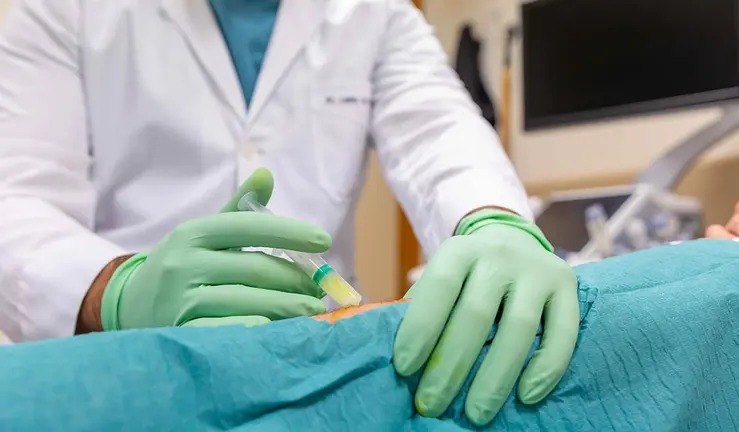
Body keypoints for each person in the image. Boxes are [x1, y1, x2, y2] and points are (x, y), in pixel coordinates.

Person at [0, 0, 578, 426]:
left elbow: (439, 133)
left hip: (317, 364)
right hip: (133, 368)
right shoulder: (57, 9)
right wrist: (117, 289)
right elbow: (17, 200)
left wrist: (492, 219)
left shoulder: (374, 14)